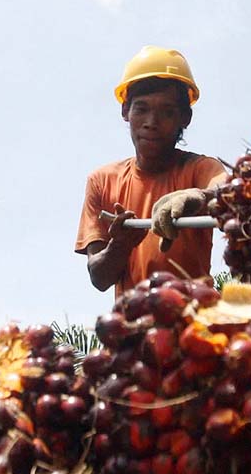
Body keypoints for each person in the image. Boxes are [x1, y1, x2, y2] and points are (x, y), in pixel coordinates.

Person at [74, 46, 227, 296]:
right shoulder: (102, 181)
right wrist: (120, 246)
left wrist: (200, 197)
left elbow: (226, 189)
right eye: (142, 109)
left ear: (185, 118)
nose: (152, 123)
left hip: (196, 326)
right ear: (126, 111)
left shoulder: (200, 169)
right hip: (132, 328)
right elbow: (99, 278)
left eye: (167, 112)